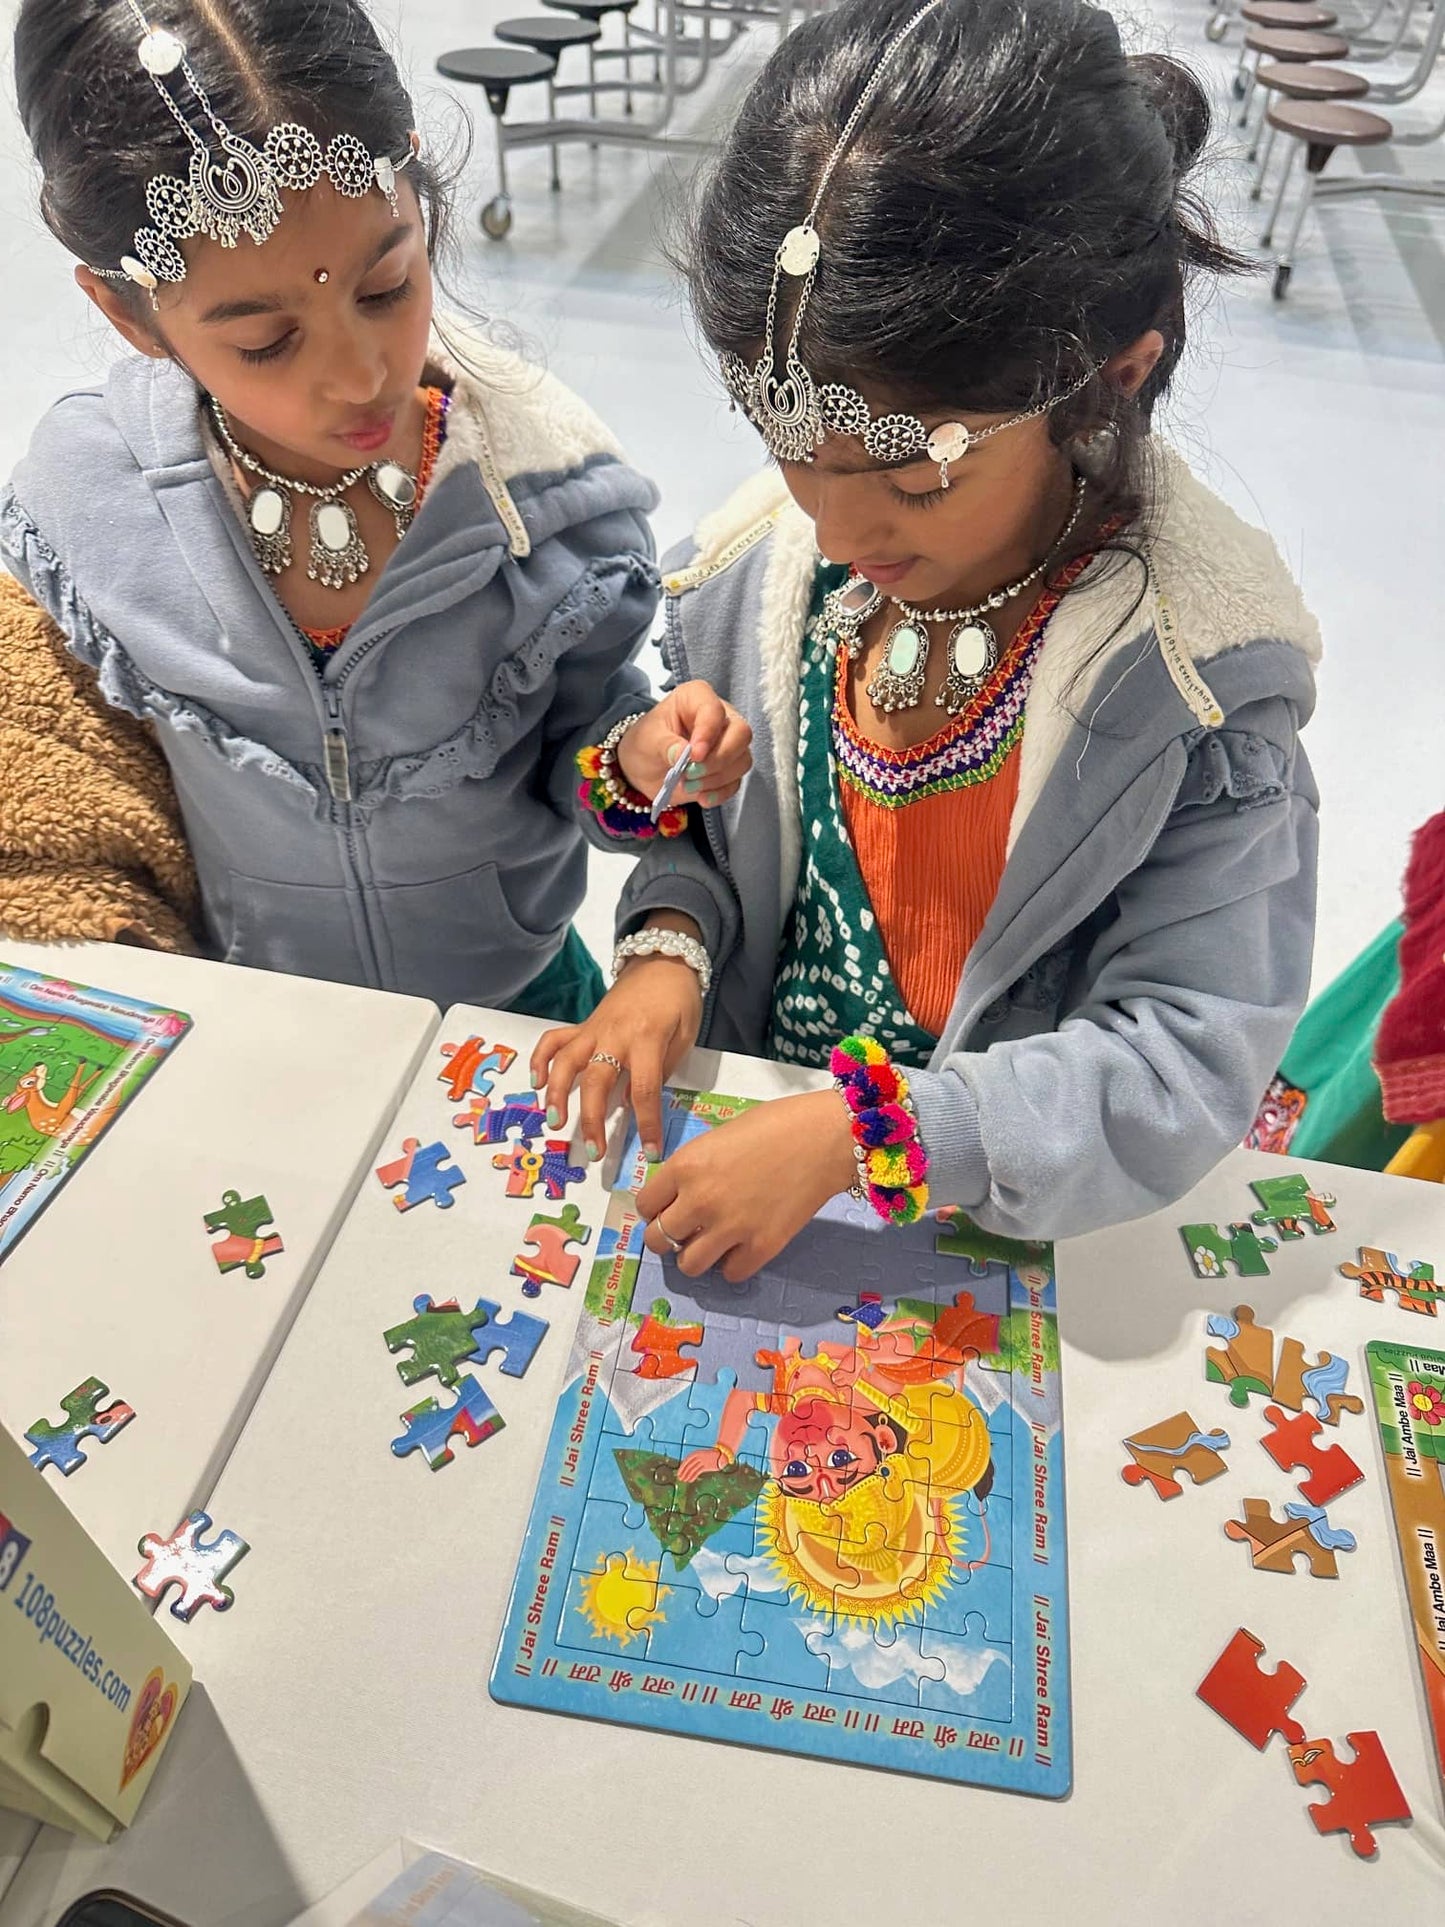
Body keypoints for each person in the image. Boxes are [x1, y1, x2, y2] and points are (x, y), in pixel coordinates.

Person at [534, 0, 1320, 1266]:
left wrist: (866, 1136)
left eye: (912, 480)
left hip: (995, 1231)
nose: (839, 533)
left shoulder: (1194, 692)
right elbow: (698, 833)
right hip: (744, 1164)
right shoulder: (756, 583)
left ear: (1109, 374)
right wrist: (668, 949)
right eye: (789, 454)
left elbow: (1178, 1056)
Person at [0, 0, 749, 1040]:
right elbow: (71, 779)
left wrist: (632, 757)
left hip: (515, 1017)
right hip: (257, 1024)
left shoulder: (548, 506)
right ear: (129, 313)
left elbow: (582, 742)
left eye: (387, 285)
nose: (359, 376)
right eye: (265, 342)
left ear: (421, 201)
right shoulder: (94, 508)